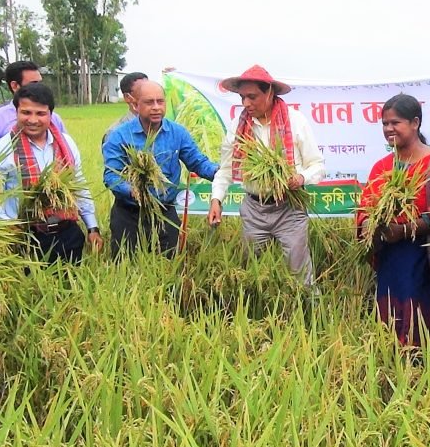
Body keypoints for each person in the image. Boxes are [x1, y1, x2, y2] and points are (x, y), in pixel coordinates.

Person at [208, 65, 326, 285]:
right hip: (254, 209)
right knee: (252, 271)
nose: (246, 104)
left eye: (252, 97)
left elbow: (317, 165)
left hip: (289, 207)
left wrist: (300, 178)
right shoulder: (238, 126)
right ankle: (255, 312)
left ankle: (308, 312)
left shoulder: (295, 121)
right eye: (242, 97)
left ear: (270, 92)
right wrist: (217, 200)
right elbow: (225, 168)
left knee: (299, 272)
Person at [356, 94, 430, 349]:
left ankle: (429, 373)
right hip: (391, 257)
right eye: (384, 123)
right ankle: (393, 370)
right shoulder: (382, 166)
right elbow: (366, 205)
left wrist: (405, 230)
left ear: (415, 123)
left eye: (395, 122)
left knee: (424, 321)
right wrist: (369, 224)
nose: (389, 129)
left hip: (426, 257)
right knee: (392, 318)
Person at [0, 83, 102, 264]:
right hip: (25, 239)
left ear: (50, 114)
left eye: (40, 113)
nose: (33, 120)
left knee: (72, 287)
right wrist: (7, 231)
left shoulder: (66, 143)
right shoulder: (2, 150)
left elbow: (79, 185)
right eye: (26, 112)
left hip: (68, 234)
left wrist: (92, 227)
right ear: (16, 112)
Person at [103, 81, 218, 256]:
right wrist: (132, 190)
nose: (156, 107)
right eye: (149, 102)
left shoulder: (177, 133)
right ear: (135, 105)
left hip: (165, 212)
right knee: (126, 267)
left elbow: (198, 162)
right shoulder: (119, 136)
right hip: (129, 213)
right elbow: (111, 176)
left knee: (169, 266)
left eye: (160, 101)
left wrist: (220, 174)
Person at [0, 61, 68, 148]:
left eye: (40, 83)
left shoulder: (54, 119)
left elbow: (65, 150)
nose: (38, 87)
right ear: (14, 86)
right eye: (33, 83)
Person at [103, 71, 149, 143]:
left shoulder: (164, 128)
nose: (150, 95)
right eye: (142, 91)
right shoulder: (115, 133)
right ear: (127, 97)